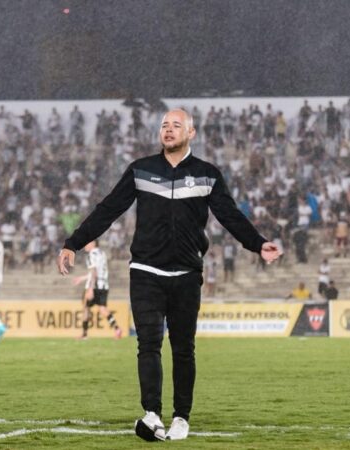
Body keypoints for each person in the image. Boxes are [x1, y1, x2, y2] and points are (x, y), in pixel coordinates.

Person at [56, 109, 281, 442]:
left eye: (176, 125)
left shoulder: (208, 174)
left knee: (183, 348)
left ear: (191, 132)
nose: (169, 130)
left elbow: (230, 216)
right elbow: (108, 209)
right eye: (164, 125)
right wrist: (73, 243)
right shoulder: (141, 169)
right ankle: (151, 414)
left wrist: (258, 244)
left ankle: (181, 418)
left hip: (187, 274)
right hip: (145, 271)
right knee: (147, 344)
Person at [75, 240, 121, 340]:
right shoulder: (102, 253)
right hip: (104, 285)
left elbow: (93, 271)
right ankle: (117, 329)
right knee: (103, 309)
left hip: (94, 285)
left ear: (93, 243)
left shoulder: (91, 254)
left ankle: (84, 334)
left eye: (87, 243)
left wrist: (91, 288)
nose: (85, 245)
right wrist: (82, 278)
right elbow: (98, 271)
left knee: (86, 308)